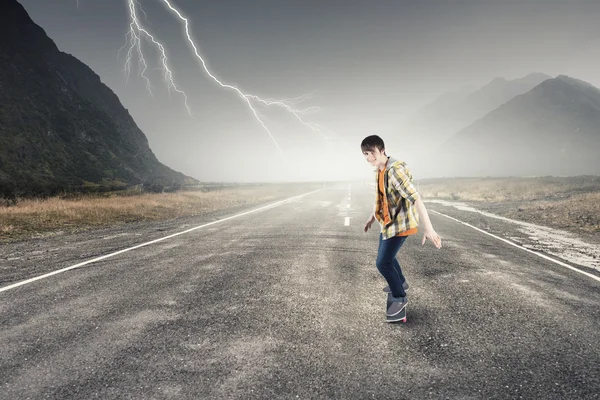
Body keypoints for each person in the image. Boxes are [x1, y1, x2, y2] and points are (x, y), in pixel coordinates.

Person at [361, 134, 442, 322]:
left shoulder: (395, 171)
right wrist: (372, 217)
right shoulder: (379, 171)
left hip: (400, 225)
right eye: (365, 154)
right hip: (387, 224)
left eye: (371, 153)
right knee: (387, 258)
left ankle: (399, 297)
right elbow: (383, 198)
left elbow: (416, 199)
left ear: (381, 150)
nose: (368, 158)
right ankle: (401, 282)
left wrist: (428, 229)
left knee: (383, 263)